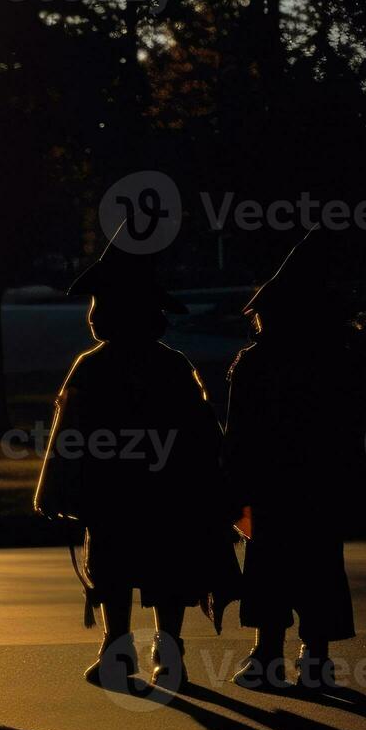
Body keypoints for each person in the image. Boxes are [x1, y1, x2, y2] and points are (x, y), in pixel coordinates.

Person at [35, 225, 239, 689]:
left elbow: (69, 434)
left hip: (109, 493)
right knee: (165, 569)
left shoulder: (92, 366)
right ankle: (167, 653)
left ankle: (117, 648)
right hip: (166, 491)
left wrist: (56, 487)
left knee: (111, 568)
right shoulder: (173, 365)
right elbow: (204, 434)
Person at [225, 229, 359, 691]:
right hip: (322, 482)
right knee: (321, 567)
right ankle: (316, 659)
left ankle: (266, 655)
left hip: (269, 486)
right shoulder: (338, 361)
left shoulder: (254, 364)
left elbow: (239, 434)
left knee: (268, 570)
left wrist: (232, 489)